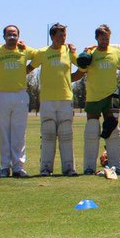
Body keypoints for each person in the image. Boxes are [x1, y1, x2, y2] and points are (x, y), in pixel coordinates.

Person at [0, 25, 36, 178]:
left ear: (19, 36)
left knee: (19, 132)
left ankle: (18, 167)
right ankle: (5, 166)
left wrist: (28, 68)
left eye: (15, 34)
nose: (12, 36)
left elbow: (39, 56)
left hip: (20, 95)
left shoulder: (25, 50)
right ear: (4, 36)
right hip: (1, 95)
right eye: (9, 34)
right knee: (3, 132)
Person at [80, 24, 120, 175]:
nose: (105, 41)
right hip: (94, 96)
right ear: (96, 38)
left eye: (107, 38)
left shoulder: (115, 53)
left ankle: (116, 165)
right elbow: (79, 72)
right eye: (102, 38)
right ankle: (89, 167)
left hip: (111, 96)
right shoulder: (89, 55)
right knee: (92, 128)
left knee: (113, 129)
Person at [37, 23, 83, 177]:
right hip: (47, 99)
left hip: (65, 98)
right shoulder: (43, 52)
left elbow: (82, 66)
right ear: (52, 36)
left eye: (64, 35)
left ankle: (69, 168)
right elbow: (28, 67)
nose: (63, 38)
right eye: (60, 35)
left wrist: (71, 79)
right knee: (48, 133)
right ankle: (45, 168)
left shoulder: (69, 51)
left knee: (66, 133)